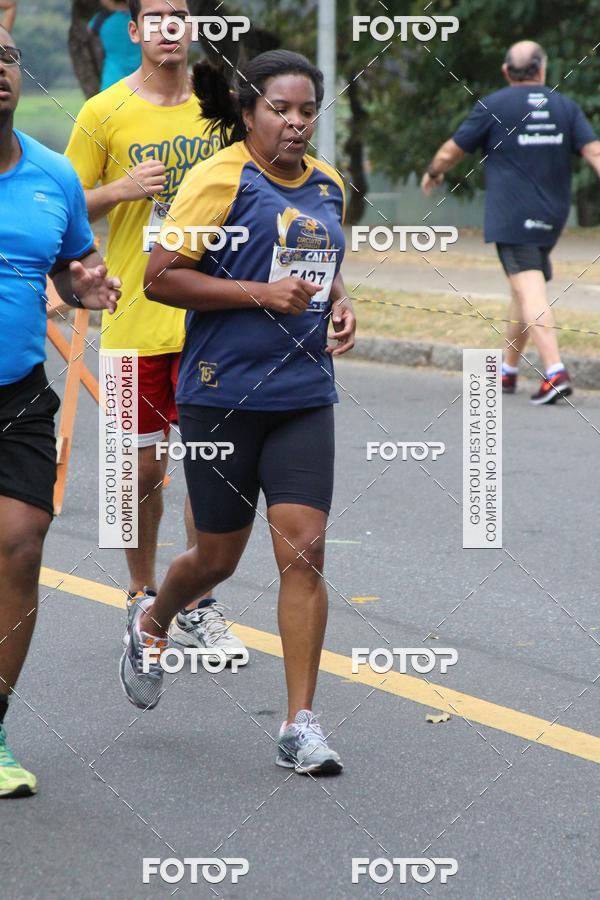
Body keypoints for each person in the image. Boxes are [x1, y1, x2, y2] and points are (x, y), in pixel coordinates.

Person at [120, 49, 356, 775]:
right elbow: (159, 278)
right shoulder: (218, 179)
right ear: (250, 112)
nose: (294, 122)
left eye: (306, 109)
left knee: (305, 548)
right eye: (279, 109)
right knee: (217, 556)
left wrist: (341, 303)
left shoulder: (329, 184)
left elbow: (323, 264)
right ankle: (154, 619)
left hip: (304, 394)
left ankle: (299, 725)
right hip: (221, 393)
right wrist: (260, 293)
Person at [66, 0, 246, 661]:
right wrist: (120, 190)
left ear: (190, 28)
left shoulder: (221, 103)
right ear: (135, 32)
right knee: (141, 471)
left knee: (210, 468)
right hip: (136, 318)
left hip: (211, 318)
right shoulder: (104, 111)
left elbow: (255, 185)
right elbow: (66, 198)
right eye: (155, 16)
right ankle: (142, 595)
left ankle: (198, 603)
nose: (168, 26)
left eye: (179, 13)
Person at [0, 25, 121, 797]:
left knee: (21, 541)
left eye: (6, 57)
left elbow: (71, 267)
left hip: (17, 395)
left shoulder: (53, 176)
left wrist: (89, 286)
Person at [421, 40, 600, 405]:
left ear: (506, 71)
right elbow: (594, 151)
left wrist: (434, 172)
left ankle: (555, 372)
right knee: (522, 289)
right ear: (543, 69)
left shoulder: (493, 106)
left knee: (531, 290)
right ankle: (507, 369)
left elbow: (450, 151)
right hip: (552, 217)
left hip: (513, 217)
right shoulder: (564, 106)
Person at [89, 0, 141, 92]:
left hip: (112, 83)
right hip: (140, 84)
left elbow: (90, 29)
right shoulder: (139, 17)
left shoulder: (101, 20)